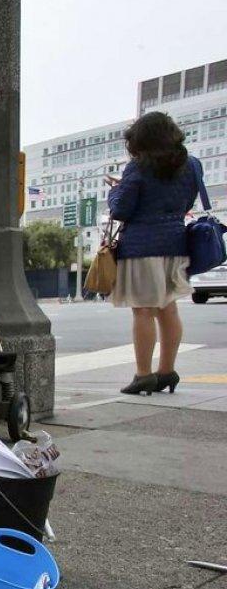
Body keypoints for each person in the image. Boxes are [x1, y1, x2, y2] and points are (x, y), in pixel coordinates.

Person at [107, 112, 201, 395]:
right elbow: (187, 201)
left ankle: (143, 374)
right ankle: (167, 371)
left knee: (144, 311)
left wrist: (115, 190)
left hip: (142, 246)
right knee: (168, 308)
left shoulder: (137, 168)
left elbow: (121, 209)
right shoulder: (192, 165)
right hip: (175, 243)